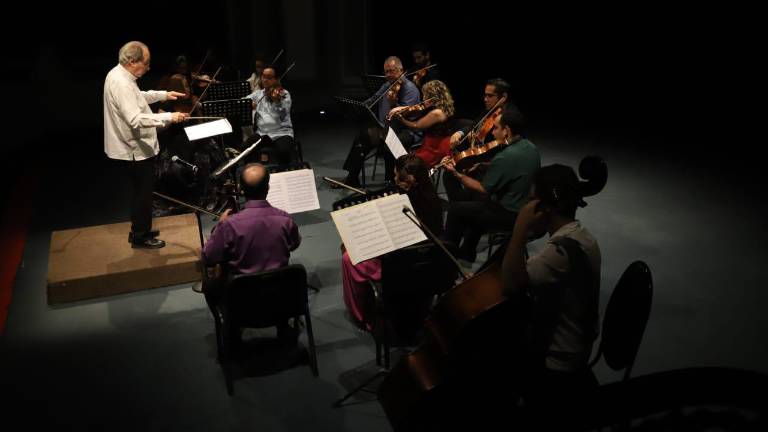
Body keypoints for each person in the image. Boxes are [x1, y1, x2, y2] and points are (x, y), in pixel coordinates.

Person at [501, 164, 601, 424]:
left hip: (557, 362)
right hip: (579, 346)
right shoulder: (583, 237)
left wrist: (520, 229)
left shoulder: (558, 254)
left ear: (547, 207)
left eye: (533, 201)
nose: (529, 207)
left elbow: (511, 284)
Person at [341, 154, 443, 331]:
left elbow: (394, 241)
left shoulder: (406, 204)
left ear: (410, 180)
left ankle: (363, 316)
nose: (395, 180)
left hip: (400, 264)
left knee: (349, 257)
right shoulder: (433, 197)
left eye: (398, 177)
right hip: (428, 262)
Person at [201, 163, 302, 342]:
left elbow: (208, 257)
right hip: (282, 300)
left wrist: (219, 226)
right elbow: (294, 244)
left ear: (240, 189)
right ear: (268, 188)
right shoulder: (285, 219)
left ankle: (230, 328)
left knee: (208, 281)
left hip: (242, 304)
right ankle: (282, 326)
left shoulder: (229, 225)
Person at [103, 41, 188, 249]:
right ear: (132, 62)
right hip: (133, 149)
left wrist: (163, 95)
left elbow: (136, 97)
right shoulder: (121, 83)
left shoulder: (120, 75)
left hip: (133, 147)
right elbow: (135, 118)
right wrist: (170, 116)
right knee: (142, 193)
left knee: (141, 192)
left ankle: (140, 229)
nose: (149, 68)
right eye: (146, 63)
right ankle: (140, 236)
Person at [443, 105, 540, 264]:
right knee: (476, 206)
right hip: (525, 208)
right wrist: (485, 166)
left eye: (495, 128)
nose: (493, 132)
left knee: (456, 208)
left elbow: (484, 189)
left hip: (509, 214)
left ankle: (448, 256)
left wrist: (457, 174)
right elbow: (515, 169)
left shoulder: (505, 156)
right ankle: (467, 252)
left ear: (507, 130)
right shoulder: (531, 147)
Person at [340, 56, 420, 187]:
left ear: (401, 70)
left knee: (388, 145)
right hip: (388, 128)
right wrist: (360, 106)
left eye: (392, 71)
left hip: (407, 130)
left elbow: (402, 117)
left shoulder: (410, 89)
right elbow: (374, 98)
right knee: (362, 135)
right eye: (386, 71)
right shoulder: (388, 85)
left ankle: (391, 181)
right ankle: (352, 177)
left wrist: (394, 103)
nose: (388, 74)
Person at [443, 78, 513, 202]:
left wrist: (481, 164)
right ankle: (461, 205)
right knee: (448, 167)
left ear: (504, 97)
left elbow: (507, 150)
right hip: (479, 153)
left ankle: (462, 207)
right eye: (485, 95)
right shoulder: (490, 111)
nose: (485, 99)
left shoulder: (510, 119)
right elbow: (473, 125)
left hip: (490, 162)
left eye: (490, 96)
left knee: (451, 173)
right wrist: (461, 132)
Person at [388, 79, 455, 168]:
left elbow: (416, 126)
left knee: (409, 165)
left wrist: (401, 119)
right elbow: (417, 107)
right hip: (431, 143)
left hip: (436, 147)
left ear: (433, 96)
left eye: (425, 95)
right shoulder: (441, 107)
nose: (423, 98)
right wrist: (400, 108)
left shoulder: (437, 113)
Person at [243, 66, 295, 166]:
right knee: (245, 148)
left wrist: (277, 102)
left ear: (276, 79)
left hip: (281, 133)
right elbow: (242, 101)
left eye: (269, 77)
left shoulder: (283, 94)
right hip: (262, 133)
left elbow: (284, 112)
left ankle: (283, 173)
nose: (265, 80)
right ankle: (252, 174)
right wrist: (247, 104)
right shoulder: (258, 94)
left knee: (284, 151)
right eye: (263, 77)